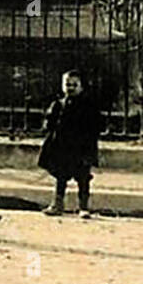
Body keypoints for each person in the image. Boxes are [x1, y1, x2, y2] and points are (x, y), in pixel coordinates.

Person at [38, 70, 102, 218]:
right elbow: (49, 122)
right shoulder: (59, 104)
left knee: (83, 178)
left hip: (81, 147)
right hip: (63, 147)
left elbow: (96, 125)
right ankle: (57, 204)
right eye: (67, 84)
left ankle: (83, 207)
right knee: (61, 176)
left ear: (81, 87)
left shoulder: (88, 106)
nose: (71, 87)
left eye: (74, 85)